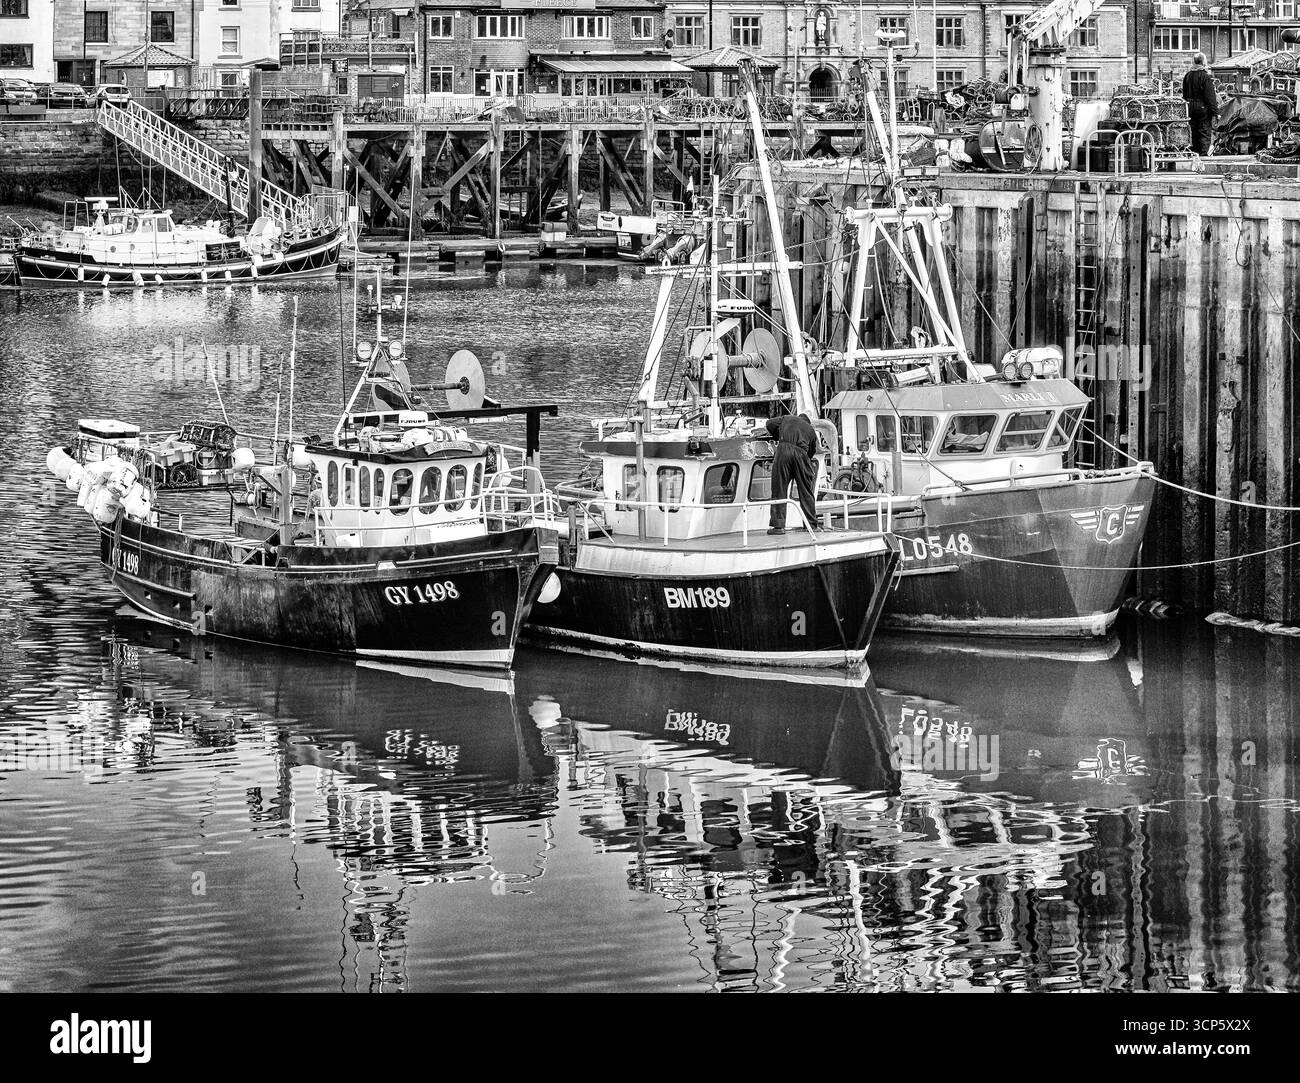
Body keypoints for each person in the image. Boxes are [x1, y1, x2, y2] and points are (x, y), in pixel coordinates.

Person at [764, 412, 819, 535]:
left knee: (779, 488)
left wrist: (778, 435)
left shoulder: (786, 418)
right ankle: (811, 525)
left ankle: (778, 527)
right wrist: (805, 461)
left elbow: (769, 423)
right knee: (806, 491)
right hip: (802, 454)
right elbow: (812, 451)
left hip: (783, 451)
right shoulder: (810, 429)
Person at [1182, 52, 1219, 156]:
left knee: (1193, 133)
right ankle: (1203, 158)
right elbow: (1210, 97)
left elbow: (1184, 95)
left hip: (1189, 108)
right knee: (1204, 132)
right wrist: (1215, 112)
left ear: (1194, 62)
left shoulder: (1187, 76)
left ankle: (1195, 155)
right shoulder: (1205, 76)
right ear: (1203, 62)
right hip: (1203, 108)